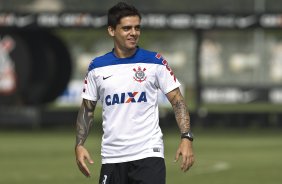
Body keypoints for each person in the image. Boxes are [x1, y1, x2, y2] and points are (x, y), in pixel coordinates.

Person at [75, 2, 195, 184]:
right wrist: (79, 144)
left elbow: (177, 100)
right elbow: (87, 109)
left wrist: (186, 137)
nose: (133, 33)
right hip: (112, 157)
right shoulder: (97, 67)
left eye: (137, 28)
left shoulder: (155, 62)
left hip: (148, 155)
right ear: (111, 30)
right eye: (126, 28)